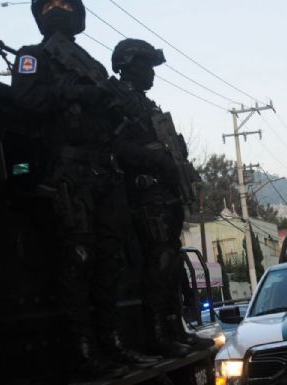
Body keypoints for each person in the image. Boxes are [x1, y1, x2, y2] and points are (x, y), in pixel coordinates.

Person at [11, 0, 159, 378]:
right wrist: (75, 94)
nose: (58, 9)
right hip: (70, 172)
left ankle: (112, 344)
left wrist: (110, 104)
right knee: (78, 261)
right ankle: (84, 353)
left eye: (65, 3)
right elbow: (26, 99)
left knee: (109, 262)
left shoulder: (90, 64)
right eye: (51, 4)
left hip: (104, 173)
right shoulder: (33, 57)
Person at [111, 38, 211, 357]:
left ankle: (174, 327)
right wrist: (154, 160)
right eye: (146, 66)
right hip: (145, 196)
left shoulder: (144, 104)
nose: (152, 73)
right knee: (159, 265)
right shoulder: (119, 100)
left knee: (170, 267)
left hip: (164, 197)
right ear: (130, 65)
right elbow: (116, 147)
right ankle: (157, 333)